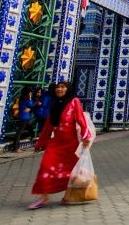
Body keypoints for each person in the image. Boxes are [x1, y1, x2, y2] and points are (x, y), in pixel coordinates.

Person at [29, 81, 91, 209]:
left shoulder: (74, 101)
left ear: (67, 89)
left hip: (71, 144)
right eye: (58, 87)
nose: (59, 89)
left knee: (70, 172)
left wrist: (86, 136)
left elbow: (80, 119)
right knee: (46, 167)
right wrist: (41, 143)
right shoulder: (54, 104)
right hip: (56, 143)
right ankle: (44, 198)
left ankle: (67, 197)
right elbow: (48, 126)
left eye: (62, 87)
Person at [13, 87, 35, 152]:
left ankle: (31, 137)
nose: (31, 93)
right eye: (30, 92)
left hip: (24, 117)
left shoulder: (22, 98)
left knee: (29, 128)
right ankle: (16, 148)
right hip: (24, 117)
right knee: (19, 132)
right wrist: (30, 98)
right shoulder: (26, 99)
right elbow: (31, 104)